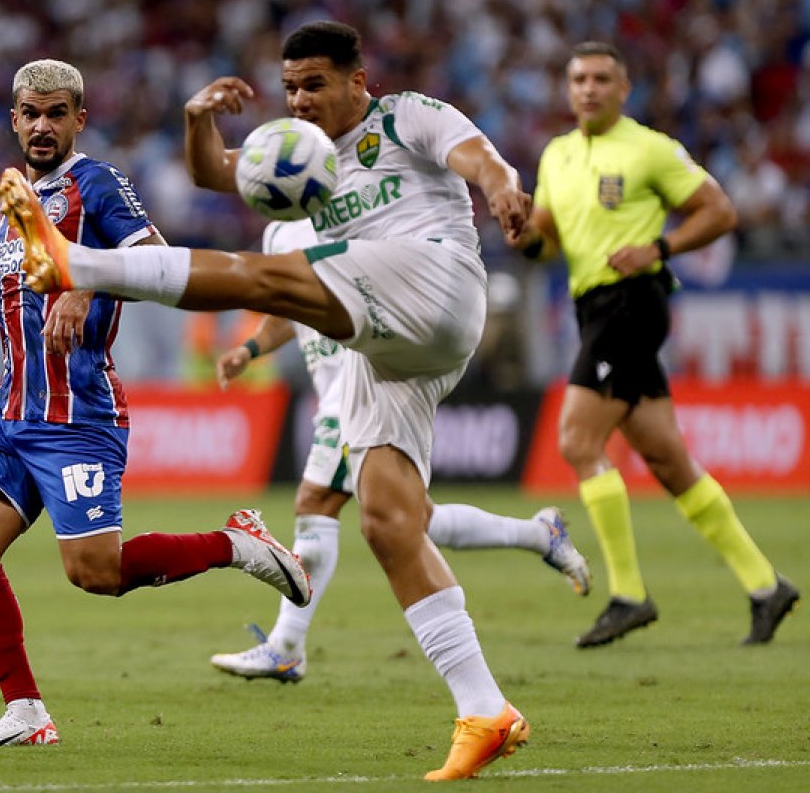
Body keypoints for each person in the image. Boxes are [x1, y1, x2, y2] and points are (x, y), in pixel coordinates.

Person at [0, 22, 535, 781]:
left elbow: (476, 156)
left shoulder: (406, 116)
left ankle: (74, 262)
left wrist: (504, 186)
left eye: (314, 85)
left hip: (435, 280)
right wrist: (197, 119)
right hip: (389, 349)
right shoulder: (298, 153)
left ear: (357, 80)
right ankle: (485, 710)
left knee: (269, 274)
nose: (299, 100)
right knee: (389, 521)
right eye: (289, 88)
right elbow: (215, 172)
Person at [0, 59, 310, 750]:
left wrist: (87, 285)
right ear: (14, 120)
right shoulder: (17, 204)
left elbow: (157, 259)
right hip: (12, 414)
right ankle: (26, 714)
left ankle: (236, 543)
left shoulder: (95, 184)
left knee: (95, 573)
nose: (42, 126)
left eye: (56, 114)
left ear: (79, 120)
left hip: (78, 416)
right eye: (31, 114)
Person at [208, 218, 591, 684]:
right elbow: (287, 308)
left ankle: (286, 647)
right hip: (331, 394)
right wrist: (250, 349)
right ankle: (539, 535)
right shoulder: (279, 233)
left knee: (315, 502)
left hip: (362, 391)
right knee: (416, 519)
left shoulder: (356, 214)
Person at [510, 42, 799, 648]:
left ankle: (628, 594)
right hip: (593, 309)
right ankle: (765, 585)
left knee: (577, 440)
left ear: (624, 88)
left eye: (601, 79)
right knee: (669, 461)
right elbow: (547, 240)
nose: (589, 89)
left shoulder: (650, 149)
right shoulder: (557, 155)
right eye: (579, 79)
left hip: (631, 302)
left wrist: (659, 248)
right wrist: (523, 236)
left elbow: (719, 211)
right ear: (568, 89)